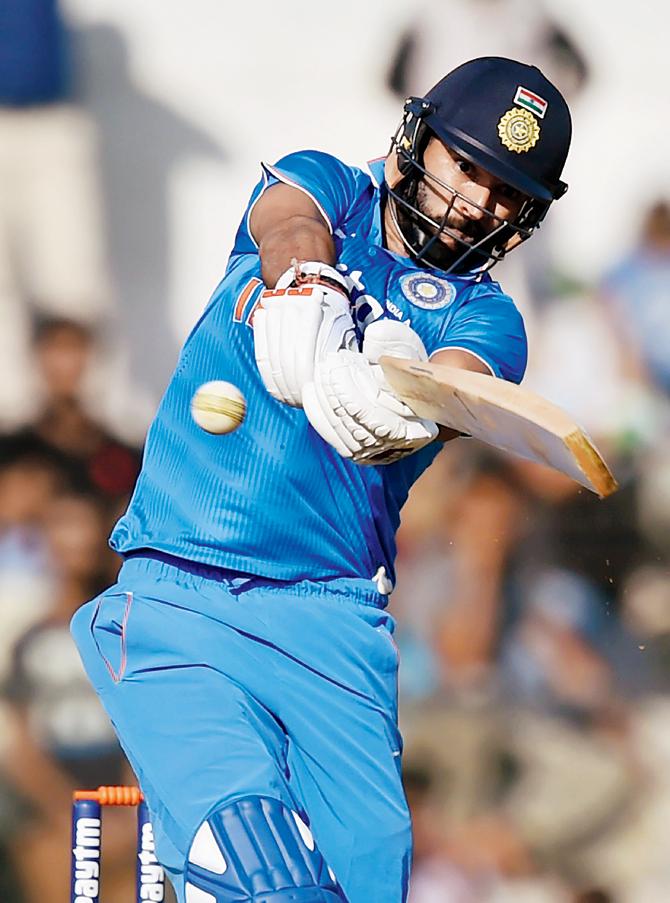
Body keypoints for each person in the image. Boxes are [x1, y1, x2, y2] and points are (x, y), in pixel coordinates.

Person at [71, 57, 572, 903]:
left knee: (363, 881)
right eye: (466, 165)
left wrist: (389, 391)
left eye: (504, 190)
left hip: (335, 623)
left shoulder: (489, 317)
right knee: (267, 873)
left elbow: (449, 385)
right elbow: (287, 218)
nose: (477, 200)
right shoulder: (331, 190)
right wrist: (308, 284)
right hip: (181, 595)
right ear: (418, 141)